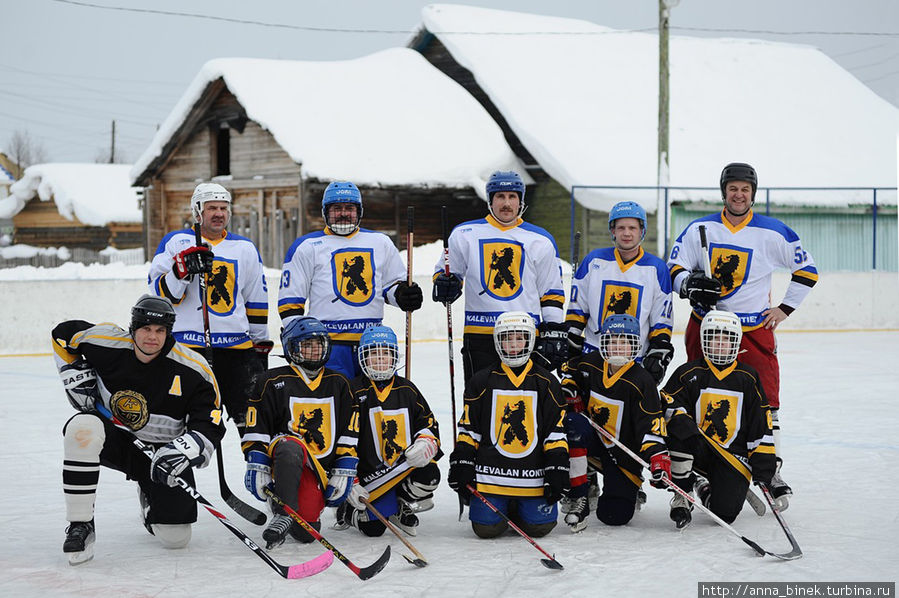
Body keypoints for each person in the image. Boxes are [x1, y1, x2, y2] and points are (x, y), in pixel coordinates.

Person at [667, 162, 817, 509]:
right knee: (696, 399)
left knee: (766, 404)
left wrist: (784, 309)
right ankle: (694, 473)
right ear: (724, 192)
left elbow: (807, 271)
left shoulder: (773, 232)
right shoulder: (699, 228)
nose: (739, 194)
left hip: (752, 330)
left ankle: (770, 469)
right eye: (733, 188)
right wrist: (688, 284)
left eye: (745, 189)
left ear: (753, 193)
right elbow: (673, 268)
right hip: (707, 328)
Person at [53, 294, 224, 565]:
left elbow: (211, 422)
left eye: (159, 330)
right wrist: (72, 373)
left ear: (169, 332)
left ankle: (149, 495)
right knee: (81, 428)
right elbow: (62, 335)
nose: (151, 337)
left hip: (164, 454)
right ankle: (80, 525)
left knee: (175, 539)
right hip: (117, 440)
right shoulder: (106, 343)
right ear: (133, 328)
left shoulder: (194, 369)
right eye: (145, 328)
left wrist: (183, 450)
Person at [147, 182, 271, 439]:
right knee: (175, 422)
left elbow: (256, 300)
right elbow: (160, 295)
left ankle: (260, 476)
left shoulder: (244, 248)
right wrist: (180, 271)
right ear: (197, 211)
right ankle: (171, 476)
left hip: (237, 352)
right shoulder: (176, 242)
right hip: (187, 351)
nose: (219, 213)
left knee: (255, 423)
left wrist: (260, 346)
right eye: (212, 207)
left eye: (224, 208)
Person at [432, 171, 568, 382]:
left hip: (524, 335)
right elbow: (446, 272)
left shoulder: (541, 240)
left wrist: (553, 330)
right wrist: (445, 284)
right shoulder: (464, 233)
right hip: (480, 334)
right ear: (490, 200)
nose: (506, 203)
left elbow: (551, 291)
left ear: (520, 201)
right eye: (500, 196)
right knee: (479, 402)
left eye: (512, 196)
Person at [279, 182, 423, 379]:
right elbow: (290, 302)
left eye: (349, 208)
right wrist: (297, 340)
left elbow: (391, 287)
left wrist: (403, 295)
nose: (343, 213)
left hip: (372, 345)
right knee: (336, 406)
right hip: (327, 346)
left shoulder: (380, 243)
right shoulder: (306, 246)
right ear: (325, 212)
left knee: (373, 406)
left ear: (359, 211)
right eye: (336, 208)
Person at [447, 311, 569, 539]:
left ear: (530, 340)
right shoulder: (481, 380)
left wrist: (556, 466)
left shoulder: (546, 381)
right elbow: (469, 428)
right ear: (498, 341)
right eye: (507, 338)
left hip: (533, 473)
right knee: (486, 528)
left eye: (519, 338)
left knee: (539, 527)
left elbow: (555, 431)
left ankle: (518, 504)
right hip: (491, 475)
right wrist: (463, 461)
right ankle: (507, 502)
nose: (513, 344)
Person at [241, 316, 359, 548]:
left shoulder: (340, 383)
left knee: (305, 533)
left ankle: (287, 505)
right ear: (291, 348)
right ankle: (283, 511)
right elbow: (257, 428)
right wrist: (257, 464)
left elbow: (349, 430)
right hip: (286, 454)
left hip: (319, 468)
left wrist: (345, 468)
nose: (314, 352)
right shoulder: (271, 380)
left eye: (318, 345)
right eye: (307, 346)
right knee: (290, 445)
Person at [660, 310, 776, 528]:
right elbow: (666, 401)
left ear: (736, 342)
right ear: (705, 340)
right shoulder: (689, 372)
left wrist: (764, 467)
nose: (720, 344)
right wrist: (681, 419)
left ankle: (701, 486)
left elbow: (760, 424)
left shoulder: (748, 377)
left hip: (732, 456)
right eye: (715, 338)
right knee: (679, 429)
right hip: (698, 448)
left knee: (724, 515)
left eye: (727, 339)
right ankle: (683, 490)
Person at [559, 314, 670, 532]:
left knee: (613, 515)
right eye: (613, 341)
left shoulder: (643, 381)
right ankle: (580, 494)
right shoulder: (591, 364)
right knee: (573, 424)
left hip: (622, 454)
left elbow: (651, 425)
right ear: (604, 343)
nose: (618, 348)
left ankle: (625, 484)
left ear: (634, 345)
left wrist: (658, 458)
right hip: (592, 440)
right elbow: (568, 370)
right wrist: (570, 385)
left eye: (624, 342)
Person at [335, 325, 441, 537]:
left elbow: (428, 423)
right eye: (374, 353)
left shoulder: (407, 389)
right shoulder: (352, 390)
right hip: (369, 476)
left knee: (429, 476)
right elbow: (341, 439)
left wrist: (425, 441)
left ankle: (398, 503)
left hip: (401, 468)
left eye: (386, 353)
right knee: (373, 529)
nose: (380, 359)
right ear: (363, 357)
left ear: (394, 356)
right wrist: (349, 479)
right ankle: (347, 512)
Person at [565, 201, 675, 385]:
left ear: (642, 231)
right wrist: (572, 338)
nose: (626, 233)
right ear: (613, 231)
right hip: (594, 353)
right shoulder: (594, 261)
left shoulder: (656, 268)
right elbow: (578, 309)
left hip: (635, 359)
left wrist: (658, 349)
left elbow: (661, 320)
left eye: (632, 227)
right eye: (621, 227)